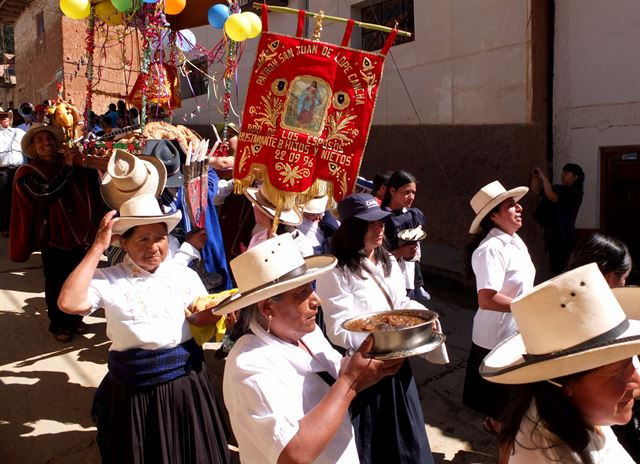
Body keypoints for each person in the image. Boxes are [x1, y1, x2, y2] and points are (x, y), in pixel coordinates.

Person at [187, 233, 403, 463]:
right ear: (268, 308)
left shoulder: (306, 334)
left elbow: (334, 372)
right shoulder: (249, 366)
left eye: (310, 287)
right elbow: (293, 453)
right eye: (301, 294)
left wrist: (374, 356)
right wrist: (350, 383)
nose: (316, 300)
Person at [57, 195, 231, 464]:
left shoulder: (183, 275)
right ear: (123, 243)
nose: (154, 247)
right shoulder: (109, 279)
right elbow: (68, 303)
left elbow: (195, 319)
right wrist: (97, 247)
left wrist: (218, 316)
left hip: (185, 384)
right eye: (142, 239)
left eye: (160, 238)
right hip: (133, 391)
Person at [315, 193, 435, 464]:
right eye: (371, 223)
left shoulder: (390, 261)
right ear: (352, 228)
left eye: (381, 221)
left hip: (399, 363)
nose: (380, 227)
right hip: (366, 371)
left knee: (408, 441)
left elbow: (399, 302)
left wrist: (422, 316)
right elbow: (337, 329)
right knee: (374, 444)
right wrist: (383, 337)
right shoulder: (334, 271)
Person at [480, 263, 640, 463]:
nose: (637, 382)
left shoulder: (574, 414)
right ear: (566, 384)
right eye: (617, 373)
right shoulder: (555, 455)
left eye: (633, 362)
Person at [10, 124, 104, 343]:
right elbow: (45, 194)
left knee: (79, 279)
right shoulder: (27, 173)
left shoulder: (67, 163)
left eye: (49, 138)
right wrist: (70, 167)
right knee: (56, 282)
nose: (46, 143)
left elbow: (89, 186)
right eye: (40, 140)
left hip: (78, 233)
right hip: (52, 236)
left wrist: (85, 161)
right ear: (33, 147)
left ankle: (74, 319)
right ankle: (59, 324)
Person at [462, 180, 534, 454]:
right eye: (510, 205)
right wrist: (528, 307)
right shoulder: (491, 248)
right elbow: (487, 298)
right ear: (493, 215)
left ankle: (494, 423)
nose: (519, 208)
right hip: (496, 341)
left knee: (510, 410)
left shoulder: (515, 242)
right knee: (508, 419)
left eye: (517, 203)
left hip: (516, 334)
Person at [566, 233, 639, 459]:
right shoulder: (603, 319)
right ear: (608, 278)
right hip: (608, 413)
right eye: (623, 277)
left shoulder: (562, 305)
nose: (624, 283)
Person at [381, 170, 430, 303]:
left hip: (408, 277)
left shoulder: (412, 214)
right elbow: (373, 254)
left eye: (413, 192)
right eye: (406, 192)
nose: (411, 197)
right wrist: (398, 252)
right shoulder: (380, 218)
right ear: (392, 191)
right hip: (385, 278)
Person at [532, 163, 585, 275]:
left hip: (565, 237)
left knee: (563, 269)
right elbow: (537, 191)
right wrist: (536, 178)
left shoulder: (575, 193)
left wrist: (544, 178)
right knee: (555, 268)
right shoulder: (558, 188)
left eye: (566, 173)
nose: (562, 175)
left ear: (575, 177)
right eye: (562, 172)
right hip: (553, 235)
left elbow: (552, 197)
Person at [0, 106, 26, 236]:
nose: (3, 118)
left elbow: (29, 145)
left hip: (19, 169)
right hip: (2, 171)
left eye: (5, 116)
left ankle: (21, 226)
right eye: (1, 117)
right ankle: (5, 227)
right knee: (4, 199)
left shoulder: (19, 132)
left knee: (20, 198)